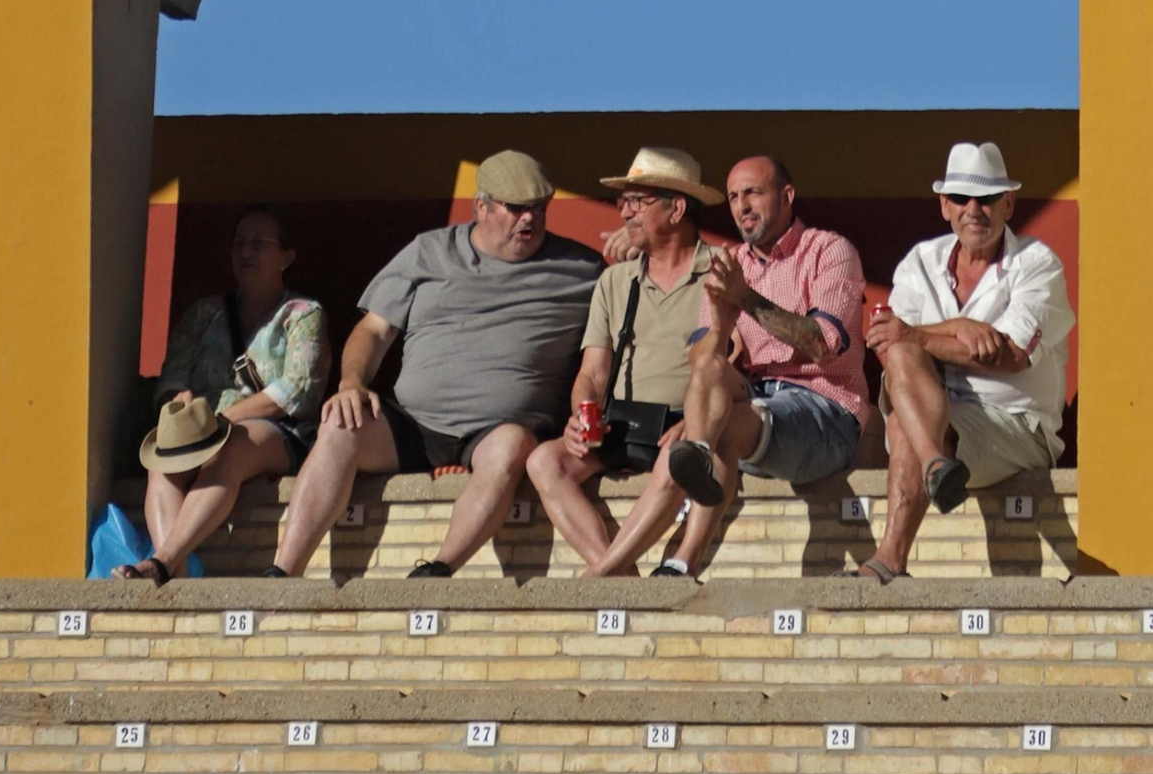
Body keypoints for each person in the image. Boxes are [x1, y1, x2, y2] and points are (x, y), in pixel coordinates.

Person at [268, 149, 600, 580]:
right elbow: (374, 331)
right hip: (413, 425)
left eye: (539, 208)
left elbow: (637, 297)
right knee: (339, 423)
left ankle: (440, 569)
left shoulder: (583, 269)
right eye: (516, 207)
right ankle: (283, 573)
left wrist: (636, 247)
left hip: (500, 431)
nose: (530, 219)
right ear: (481, 206)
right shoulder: (428, 252)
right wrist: (351, 382)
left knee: (510, 445)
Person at [596, 153, 868, 579]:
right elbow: (702, 361)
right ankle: (617, 568)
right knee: (702, 395)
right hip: (755, 407)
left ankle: (676, 561)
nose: (742, 206)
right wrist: (722, 324)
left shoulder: (830, 250)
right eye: (734, 197)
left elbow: (822, 345)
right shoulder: (730, 263)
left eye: (753, 193)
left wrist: (745, 299)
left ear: (787, 196)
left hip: (825, 410)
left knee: (716, 429)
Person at [861, 138, 1074, 583]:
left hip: (1016, 424)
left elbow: (1013, 355)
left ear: (1008, 204)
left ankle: (890, 558)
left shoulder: (1037, 263)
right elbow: (886, 341)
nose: (973, 209)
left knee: (904, 421)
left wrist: (920, 335)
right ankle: (936, 465)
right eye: (961, 197)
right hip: (942, 418)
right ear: (945, 206)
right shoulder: (921, 260)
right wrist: (957, 327)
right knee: (903, 362)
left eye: (987, 198)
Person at [525, 144, 721, 573]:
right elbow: (593, 373)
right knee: (545, 461)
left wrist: (700, 422)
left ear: (676, 209)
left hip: (684, 427)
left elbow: (740, 368)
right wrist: (582, 417)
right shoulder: (615, 281)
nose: (625, 212)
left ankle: (604, 576)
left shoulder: (724, 272)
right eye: (623, 201)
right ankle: (618, 577)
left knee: (680, 459)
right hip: (623, 425)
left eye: (637, 201)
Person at [116, 203, 330, 583]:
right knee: (163, 463)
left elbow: (297, 390)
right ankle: (178, 579)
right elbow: (172, 377)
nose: (246, 252)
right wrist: (178, 409)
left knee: (229, 451)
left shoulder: (302, 313)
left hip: (274, 432)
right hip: (201, 430)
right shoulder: (204, 314)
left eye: (259, 244)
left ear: (286, 257)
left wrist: (220, 422)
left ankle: (162, 562)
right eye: (239, 244)